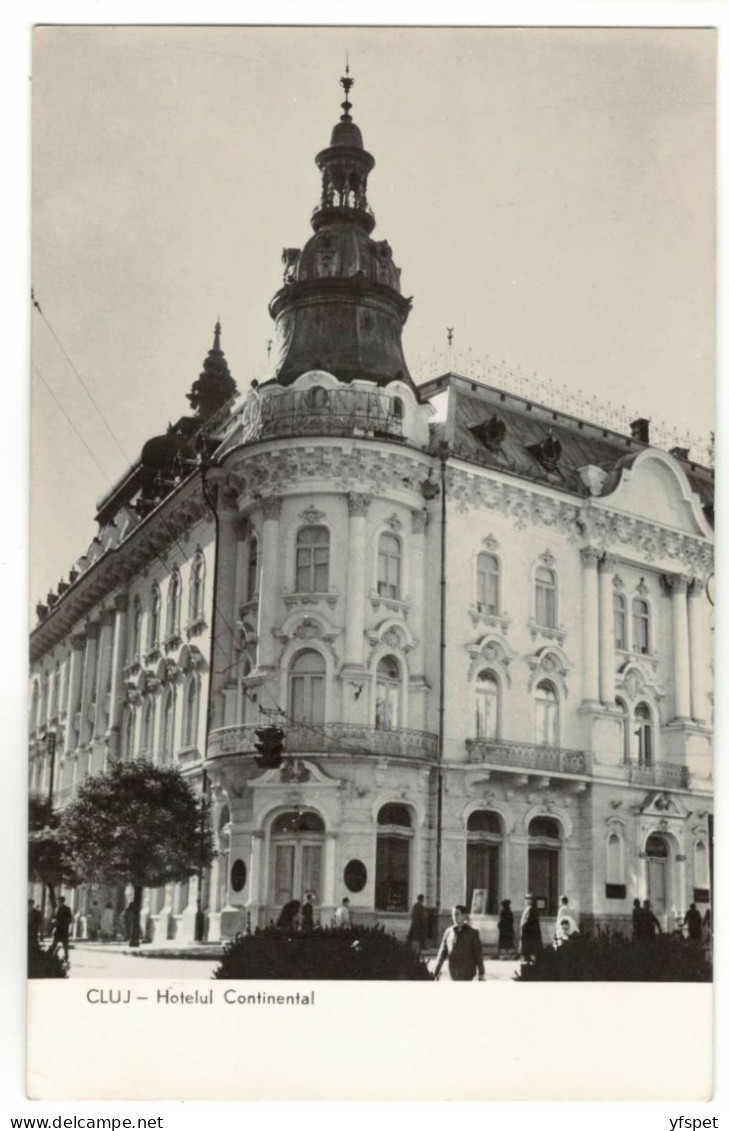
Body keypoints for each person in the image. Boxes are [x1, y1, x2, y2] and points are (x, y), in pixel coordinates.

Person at [434, 905, 485, 982]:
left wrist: (481, 973)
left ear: (464, 915)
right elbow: (442, 954)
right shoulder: (449, 932)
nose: (454, 917)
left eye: (457, 914)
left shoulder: (473, 933)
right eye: (453, 915)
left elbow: (478, 955)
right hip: (453, 971)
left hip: (468, 972)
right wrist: (436, 971)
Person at [519, 894, 542, 963]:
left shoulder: (530, 909)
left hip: (529, 934)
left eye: (527, 899)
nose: (525, 901)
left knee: (529, 950)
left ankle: (529, 961)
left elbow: (528, 922)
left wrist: (523, 927)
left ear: (530, 901)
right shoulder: (529, 909)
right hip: (529, 934)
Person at [50, 896, 73, 962]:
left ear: (63, 902)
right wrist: (53, 923)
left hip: (64, 930)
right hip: (57, 930)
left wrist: (61, 922)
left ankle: (66, 958)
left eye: (60, 902)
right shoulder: (56, 909)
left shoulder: (67, 909)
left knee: (65, 945)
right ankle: (50, 956)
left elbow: (69, 919)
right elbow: (53, 917)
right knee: (54, 944)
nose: (58, 903)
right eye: (58, 902)